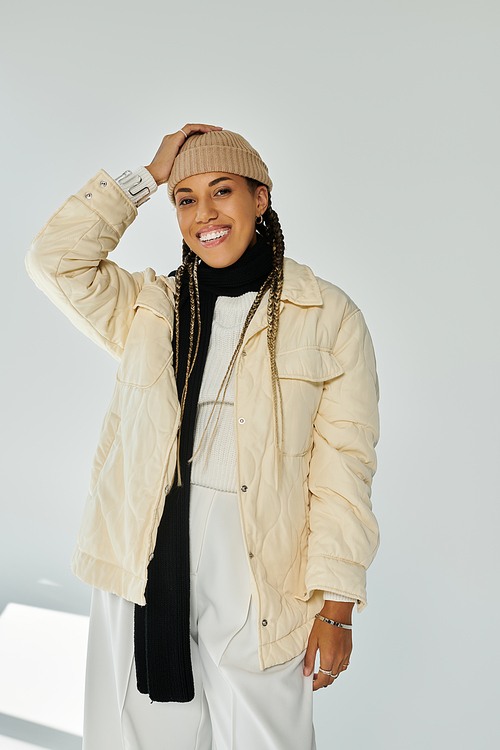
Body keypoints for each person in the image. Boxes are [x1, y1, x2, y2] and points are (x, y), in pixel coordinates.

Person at [26, 124, 380, 750]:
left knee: (267, 739)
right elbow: (55, 261)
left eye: (222, 191)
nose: (205, 214)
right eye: (186, 199)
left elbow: (342, 470)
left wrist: (337, 605)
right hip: (143, 557)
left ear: (259, 199)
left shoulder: (328, 315)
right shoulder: (149, 307)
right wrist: (148, 176)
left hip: (260, 567)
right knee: (139, 738)